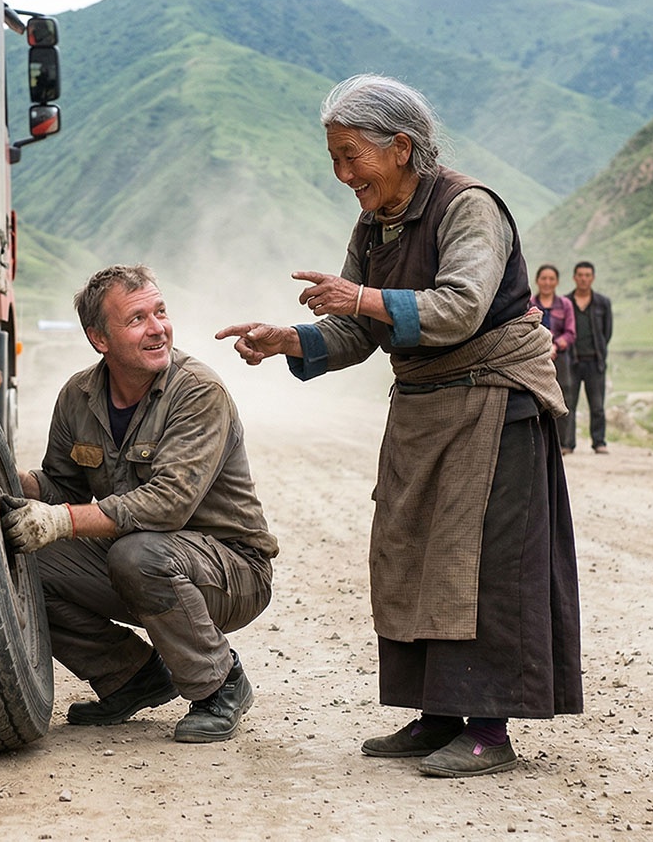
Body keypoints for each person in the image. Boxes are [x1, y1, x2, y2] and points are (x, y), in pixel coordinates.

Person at [215, 73, 582, 779]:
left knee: (480, 564)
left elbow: (460, 308)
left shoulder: (468, 207)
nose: (342, 174)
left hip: (494, 403)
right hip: (423, 408)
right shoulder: (375, 222)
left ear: (402, 147)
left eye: (352, 156)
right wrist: (288, 338)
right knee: (414, 553)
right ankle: (438, 713)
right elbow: (358, 326)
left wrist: (360, 294)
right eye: (334, 158)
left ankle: (490, 727)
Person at [1, 264, 276, 743]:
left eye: (161, 312)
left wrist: (61, 520)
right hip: (143, 556)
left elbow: (168, 504)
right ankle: (131, 676)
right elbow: (63, 488)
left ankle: (220, 684)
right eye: (137, 319)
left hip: (232, 569)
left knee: (138, 555)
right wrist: (7, 479)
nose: (158, 329)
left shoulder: (198, 393)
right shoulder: (77, 397)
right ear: (99, 339)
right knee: (24, 556)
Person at [566, 261, 613, 454]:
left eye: (587, 275)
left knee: (597, 405)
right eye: (580, 275)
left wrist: (600, 351)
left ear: (592, 278)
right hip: (571, 361)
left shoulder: (602, 302)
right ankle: (567, 444)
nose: (584, 278)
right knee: (569, 404)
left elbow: (607, 332)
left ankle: (599, 442)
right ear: (574, 277)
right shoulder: (566, 302)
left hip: (595, 361)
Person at [532, 264, 578, 453]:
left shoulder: (565, 304)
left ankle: (563, 443)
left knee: (563, 395)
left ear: (557, 282)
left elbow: (570, 332)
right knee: (537, 398)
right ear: (537, 280)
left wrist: (555, 345)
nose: (547, 282)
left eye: (551, 279)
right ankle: (540, 442)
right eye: (544, 278)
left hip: (559, 357)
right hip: (536, 356)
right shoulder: (530, 303)